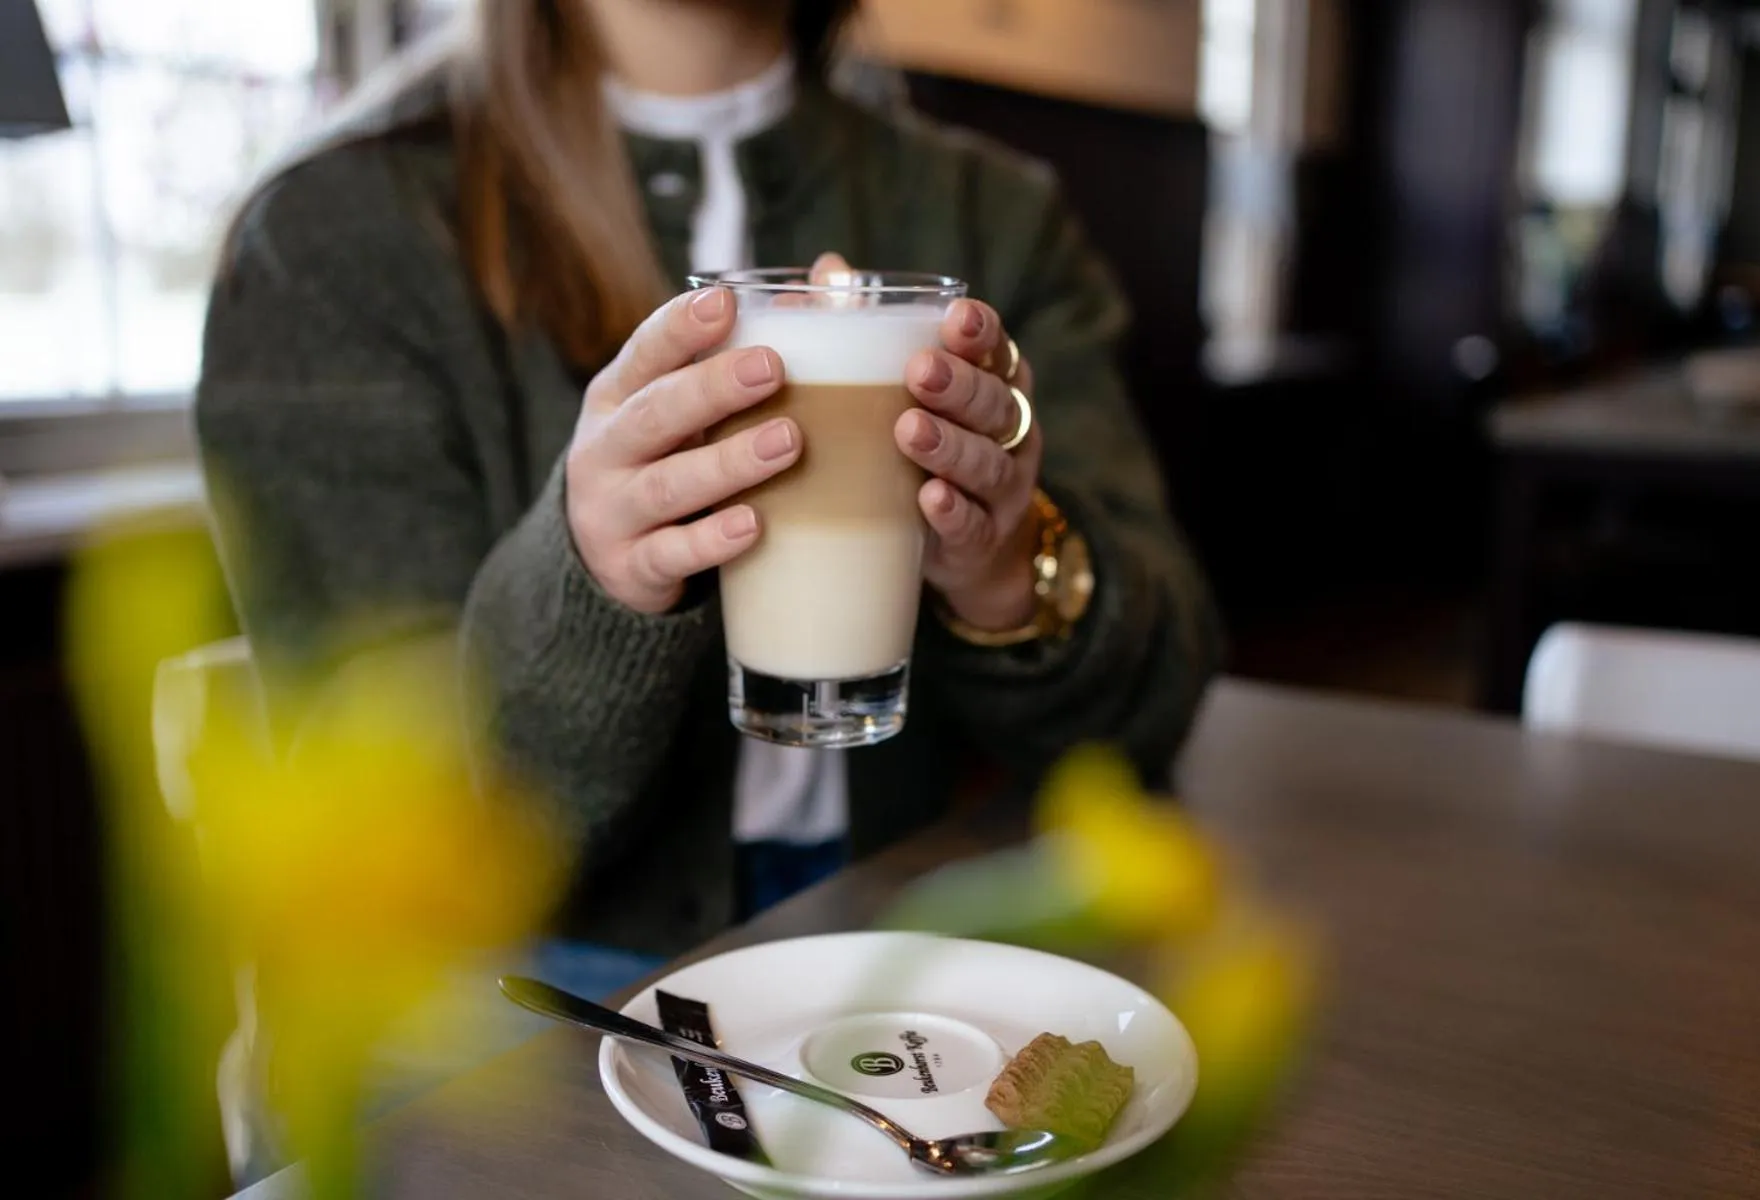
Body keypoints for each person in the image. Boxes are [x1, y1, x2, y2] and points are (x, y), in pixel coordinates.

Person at [197, 0, 1220, 1083]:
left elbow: (1156, 700)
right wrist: (592, 580)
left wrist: (1013, 569)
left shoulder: (994, 216)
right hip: (514, 987)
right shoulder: (333, 237)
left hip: (897, 930)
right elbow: (380, 823)